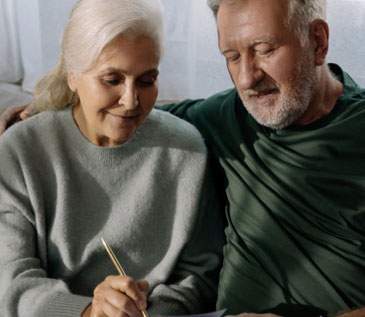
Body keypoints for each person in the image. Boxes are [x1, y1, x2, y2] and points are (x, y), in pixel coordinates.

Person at [1, 0, 365, 316]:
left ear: (318, 42)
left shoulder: (353, 129)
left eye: (265, 49)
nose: (247, 78)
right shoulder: (225, 116)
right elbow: (129, 114)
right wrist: (37, 110)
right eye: (232, 56)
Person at [0, 0, 225, 316]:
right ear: (73, 76)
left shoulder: (186, 149)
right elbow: (10, 282)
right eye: (112, 80)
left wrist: (155, 312)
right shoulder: (20, 151)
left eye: (147, 81)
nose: (131, 100)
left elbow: (200, 274)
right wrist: (88, 312)